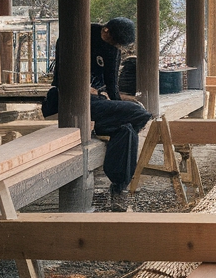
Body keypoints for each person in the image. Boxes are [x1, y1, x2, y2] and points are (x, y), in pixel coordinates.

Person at [42, 16, 152, 210]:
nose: (116, 47)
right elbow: (61, 76)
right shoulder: (77, 36)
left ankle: (118, 188)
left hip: (96, 102)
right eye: (115, 42)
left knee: (126, 128)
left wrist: (117, 106)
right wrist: (82, 89)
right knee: (139, 113)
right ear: (106, 30)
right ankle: (119, 187)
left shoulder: (113, 49)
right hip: (69, 101)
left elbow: (112, 86)